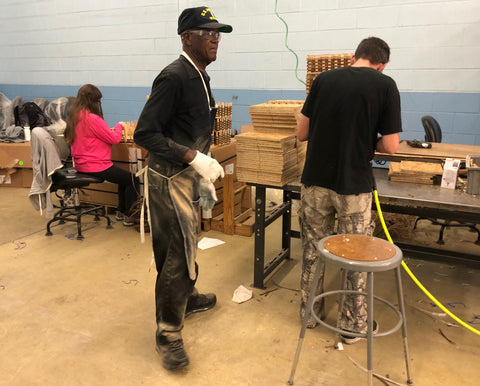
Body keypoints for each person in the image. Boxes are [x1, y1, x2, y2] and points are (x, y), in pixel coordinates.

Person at [133, 6, 232, 370]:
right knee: (174, 254)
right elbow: (144, 133)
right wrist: (193, 157)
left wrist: (202, 164)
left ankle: (186, 298)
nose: (214, 39)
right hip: (168, 178)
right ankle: (168, 332)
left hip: (188, 176)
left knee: (187, 242)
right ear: (186, 37)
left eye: (217, 33)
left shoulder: (200, 75)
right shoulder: (174, 76)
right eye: (207, 33)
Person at [296, 37, 401, 344]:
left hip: (315, 181)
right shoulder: (385, 85)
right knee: (355, 256)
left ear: (354, 57)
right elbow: (391, 145)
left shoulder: (323, 80)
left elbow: (302, 132)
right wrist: (369, 141)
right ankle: (352, 326)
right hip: (354, 187)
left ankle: (309, 315)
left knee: (313, 249)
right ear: (381, 64)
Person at [65, 84, 140, 226]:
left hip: (81, 165)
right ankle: (130, 215)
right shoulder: (92, 119)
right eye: (98, 101)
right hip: (96, 165)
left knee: (123, 178)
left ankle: (121, 211)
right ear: (93, 101)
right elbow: (115, 139)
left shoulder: (76, 116)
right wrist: (120, 126)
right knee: (132, 179)